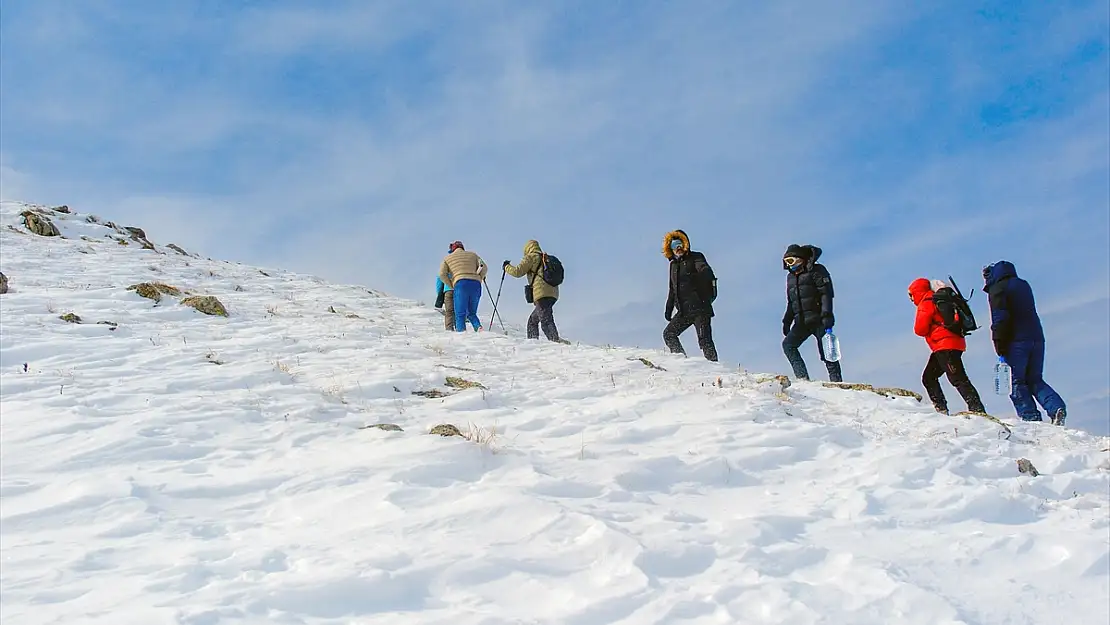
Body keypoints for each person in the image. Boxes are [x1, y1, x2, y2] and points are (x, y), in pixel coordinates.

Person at [983, 260, 1066, 425]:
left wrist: (999, 343)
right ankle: (1056, 407)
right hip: (1036, 337)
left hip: (1016, 341)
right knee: (1035, 379)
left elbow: (1000, 318)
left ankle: (1031, 419)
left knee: (1017, 381)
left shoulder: (998, 289)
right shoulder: (1023, 285)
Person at [908, 278, 986, 415]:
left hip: (945, 346)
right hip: (952, 344)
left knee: (958, 378)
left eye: (911, 294)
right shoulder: (938, 300)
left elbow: (920, 329)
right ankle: (941, 408)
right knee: (929, 377)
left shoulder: (926, 302)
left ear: (917, 292)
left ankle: (976, 409)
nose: (911, 298)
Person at [781, 243, 842, 382]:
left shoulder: (817, 271)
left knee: (827, 352)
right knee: (788, 345)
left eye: (791, 261)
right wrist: (787, 320)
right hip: (801, 321)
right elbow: (791, 301)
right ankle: (802, 378)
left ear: (800, 259)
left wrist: (827, 315)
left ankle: (837, 382)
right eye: (786, 262)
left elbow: (826, 294)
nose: (789, 265)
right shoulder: (790, 277)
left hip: (819, 319)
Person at [661, 230, 718, 361]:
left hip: (700, 307)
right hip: (684, 311)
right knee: (669, 334)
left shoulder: (696, 257)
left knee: (704, 340)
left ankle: (714, 367)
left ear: (685, 243)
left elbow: (702, 267)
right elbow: (672, 289)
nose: (678, 248)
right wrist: (668, 308)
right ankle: (681, 360)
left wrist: (705, 271)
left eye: (680, 244)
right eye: (674, 246)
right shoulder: (673, 266)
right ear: (670, 249)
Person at [503, 240, 561, 342]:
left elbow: (517, 272)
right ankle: (533, 342)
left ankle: (556, 342)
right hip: (553, 292)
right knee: (533, 321)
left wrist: (506, 267)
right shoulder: (545, 258)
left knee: (546, 321)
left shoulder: (531, 257)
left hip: (542, 293)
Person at [438, 240, 487, 332]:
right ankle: (478, 328)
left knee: (460, 313)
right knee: (472, 313)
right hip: (476, 284)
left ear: (453, 249)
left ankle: (461, 334)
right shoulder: (473, 255)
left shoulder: (447, 258)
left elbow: (441, 274)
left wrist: (451, 284)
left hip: (460, 284)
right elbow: (484, 268)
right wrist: (480, 277)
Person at [434, 258, 455, 331]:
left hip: (448, 291)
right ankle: (460, 328)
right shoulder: (458, 270)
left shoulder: (443, 271)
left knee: (449, 311)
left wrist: (440, 296)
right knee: (459, 310)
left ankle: (449, 329)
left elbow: (439, 285)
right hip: (459, 290)